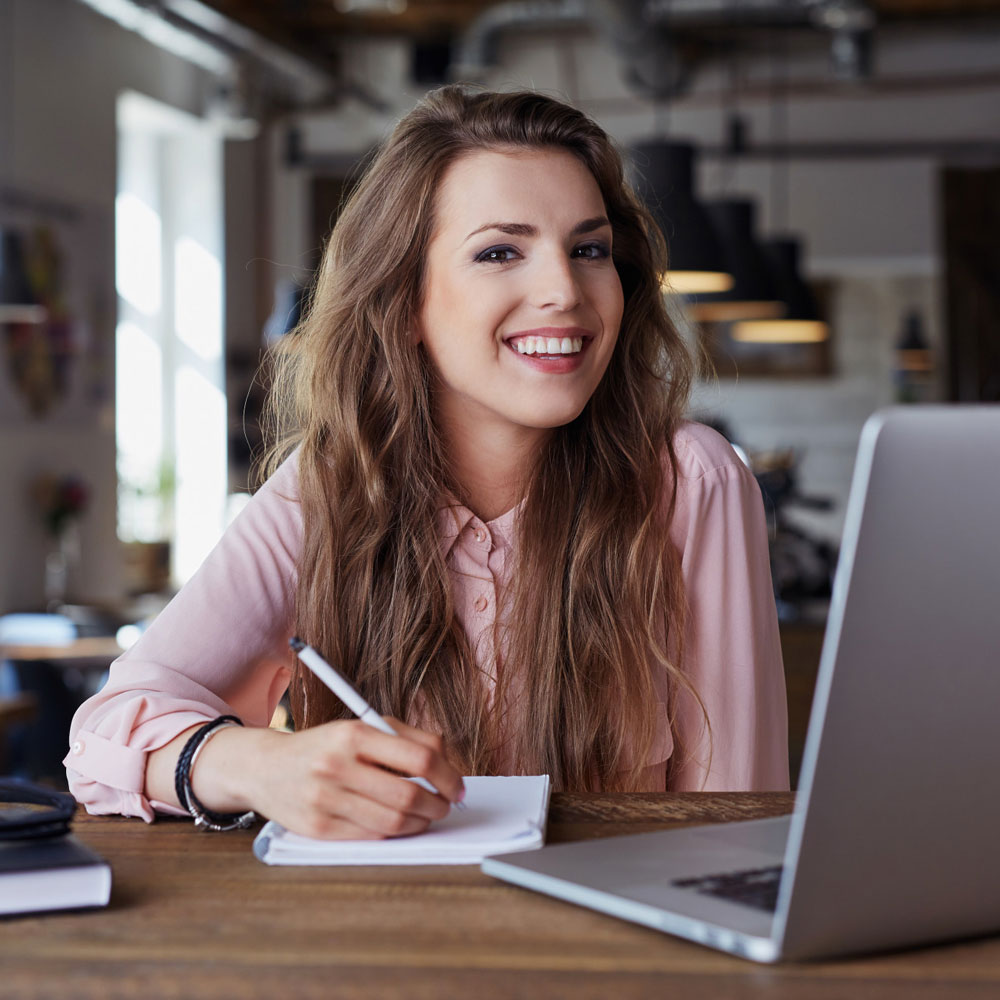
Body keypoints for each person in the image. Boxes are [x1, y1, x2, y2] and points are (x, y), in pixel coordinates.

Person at [66, 86, 788, 841]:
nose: (564, 290)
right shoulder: (328, 492)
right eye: (500, 251)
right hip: (382, 944)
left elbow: (735, 830)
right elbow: (103, 736)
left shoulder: (688, 482)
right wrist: (257, 765)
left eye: (589, 249)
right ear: (405, 301)